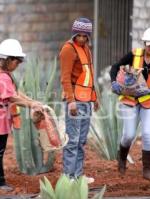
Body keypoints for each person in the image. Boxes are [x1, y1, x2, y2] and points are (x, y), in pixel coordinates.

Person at [0, 39, 44, 191]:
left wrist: (32, 101)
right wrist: (31, 105)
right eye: (17, 61)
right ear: (8, 59)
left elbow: (15, 92)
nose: (18, 64)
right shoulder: (2, 77)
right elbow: (11, 97)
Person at [110, 26, 150, 180]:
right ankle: (122, 159)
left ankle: (147, 170)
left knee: (148, 135)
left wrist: (149, 91)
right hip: (129, 100)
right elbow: (116, 66)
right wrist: (114, 82)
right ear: (144, 44)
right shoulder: (134, 55)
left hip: (148, 102)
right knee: (128, 135)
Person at [59, 17, 99, 181]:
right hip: (75, 101)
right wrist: (71, 101)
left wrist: (94, 98)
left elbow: (89, 75)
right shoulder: (68, 49)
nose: (82, 38)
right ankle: (68, 177)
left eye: (85, 36)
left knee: (81, 141)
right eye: (79, 35)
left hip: (86, 100)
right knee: (73, 140)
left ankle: (78, 175)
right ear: (74, 34)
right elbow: (65, 78)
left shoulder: (86, 49)